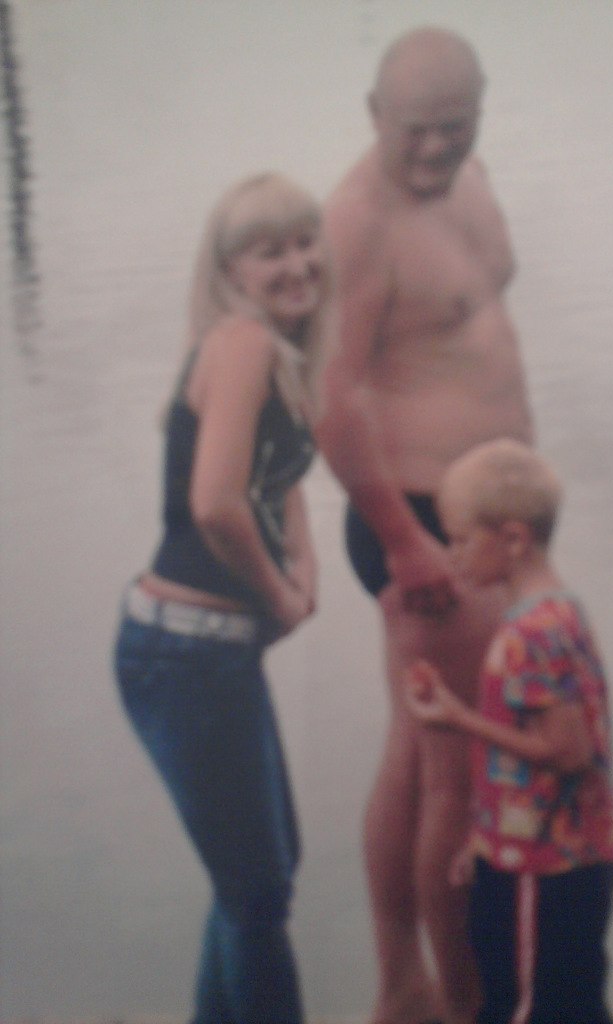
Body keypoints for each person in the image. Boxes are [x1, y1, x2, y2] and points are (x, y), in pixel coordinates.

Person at [315, 26, 534, 1024]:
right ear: (375, 115)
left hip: (484, 518)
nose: (438, 147)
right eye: (417, 130)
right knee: (461, 774)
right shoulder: (358, 219)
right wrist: (407, 544)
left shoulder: (467, 179)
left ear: (480, 112)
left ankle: (405, 989)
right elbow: (332, 399)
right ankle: (467, 1006)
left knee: (418, 752)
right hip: (423, 521)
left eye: (458, 124)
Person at [113, 172, 333, 1024]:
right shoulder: (241, 344)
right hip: (181, 654)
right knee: (257, 893)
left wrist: (305, 570)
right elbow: (214, 503)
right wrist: (276, 592)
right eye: (269, 250)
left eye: (306, 241)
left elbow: (278, 479)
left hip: (209, 654)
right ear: (230, 269)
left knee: (259, 880)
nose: (297, 264)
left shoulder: (281, 352)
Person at [404, 438, 613, 1024]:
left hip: (546, 864)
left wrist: (457, 717)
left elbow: (567, 752)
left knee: (525, 1007)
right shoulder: (562, 610)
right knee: (569, 1001)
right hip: (549, 849)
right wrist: (483, 841)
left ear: (513, 539)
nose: (452, 555)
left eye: (460, 540)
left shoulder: (532, 633)